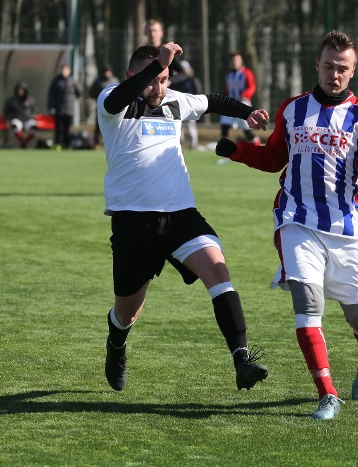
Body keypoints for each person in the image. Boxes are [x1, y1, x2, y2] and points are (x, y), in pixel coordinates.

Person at [215, 30, 358, 420]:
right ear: (317, 66)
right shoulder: (293, 110)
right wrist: (236, 150)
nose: (334, 74)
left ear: (352, 72)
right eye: (328, 66)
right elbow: (273, 158)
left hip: (345, 229)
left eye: (342, 68)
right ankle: (327, 393)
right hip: (296, 220)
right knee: (308, 304)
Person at [97, 42, 270, 392]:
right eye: (150, 79)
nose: (157, 87)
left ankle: (241, 360)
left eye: (163, 79)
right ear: (131, 75)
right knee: (127, 313)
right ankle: (116, 343)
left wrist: (246, 112)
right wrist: (155, 65)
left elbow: (214, 101)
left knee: (219, 271)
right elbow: (120, 97)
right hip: (134, 224)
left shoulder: (175, 101)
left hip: (181, 218)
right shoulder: (112, 101)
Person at [219, 52, 261, 145]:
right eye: (233, 60)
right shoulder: (229, 74)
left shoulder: (247, 73)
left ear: (241, 61)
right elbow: (226, 90)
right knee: (224, 127)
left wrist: (243, 95)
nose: (234, 62)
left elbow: (252, 87)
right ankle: (225, 153)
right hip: (229, 104)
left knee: (247, 131)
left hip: (243, 104)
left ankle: (258, 148)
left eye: (237, 60)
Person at [169, 60, 203, 149]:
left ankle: (193, 146)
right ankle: (180, 146)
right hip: (178, 108)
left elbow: (198, 92)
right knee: (179, 129)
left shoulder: (193, 80)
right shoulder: (176, 81)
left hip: (190, 107)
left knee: (191, 128)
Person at [47, 64, 81, 149]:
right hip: (58, 109)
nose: (64, 71)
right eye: (63, 70)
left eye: (66, 70)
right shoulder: (56, 81)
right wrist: (51, 107)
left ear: (69, 71)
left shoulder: (73, 81)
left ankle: (66, 145)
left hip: (69, 109)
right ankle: (57, 145)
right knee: (58, 129)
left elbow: (79, 92)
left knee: (67, 129)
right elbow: (51, 95)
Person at [89, 65, 119, 146]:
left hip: (114, 107)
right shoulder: (98, 81)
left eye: (109, 71)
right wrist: (99, 98)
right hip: (101, 107)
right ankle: (97, 143)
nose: (107, 73)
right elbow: (91, 92)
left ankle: (114, 143)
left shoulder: (115, 80)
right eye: (106, 72)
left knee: (114, 124)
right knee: (99, 125)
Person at [3, 81, 37, 148]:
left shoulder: (30, 100)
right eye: (19, 90)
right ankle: (23, 141)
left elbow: (34, 111)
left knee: (33, 128)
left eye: (22, 90)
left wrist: (32, 117)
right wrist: (8, 119)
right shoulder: (11, 100)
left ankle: (25, 142)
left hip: (27, 119)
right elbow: (6, 111)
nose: (20, 91)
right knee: (15, 127)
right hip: (17, 119)